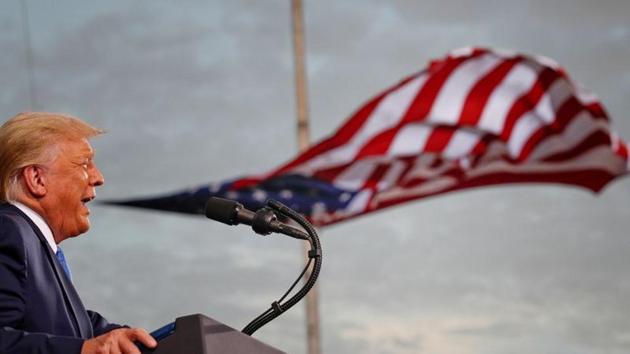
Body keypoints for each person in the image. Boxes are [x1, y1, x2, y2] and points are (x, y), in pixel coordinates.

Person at [0, 112, 157, 354]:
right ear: (37, 179)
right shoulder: (9, 230)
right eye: (85, 164)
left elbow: (80, 328)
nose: (99, 178)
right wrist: (84, 350)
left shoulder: (35, 245)